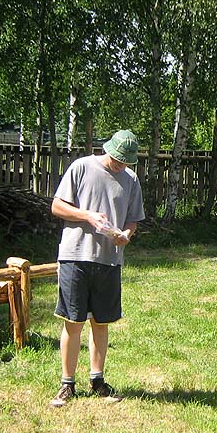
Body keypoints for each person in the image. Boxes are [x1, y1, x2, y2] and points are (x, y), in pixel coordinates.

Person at [50, 130, 145, 408]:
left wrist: (125, 235)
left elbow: (133, 220)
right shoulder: (81, 167)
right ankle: (67, 384)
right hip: (75, 257)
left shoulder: (131, 179)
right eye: (118, 159)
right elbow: (57, 206)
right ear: (108, 150)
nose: (120, 165)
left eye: (126, 162)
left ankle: (97, 380)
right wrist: (87, 216)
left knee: (101, 322)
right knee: (73, 321)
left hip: (109, 260)